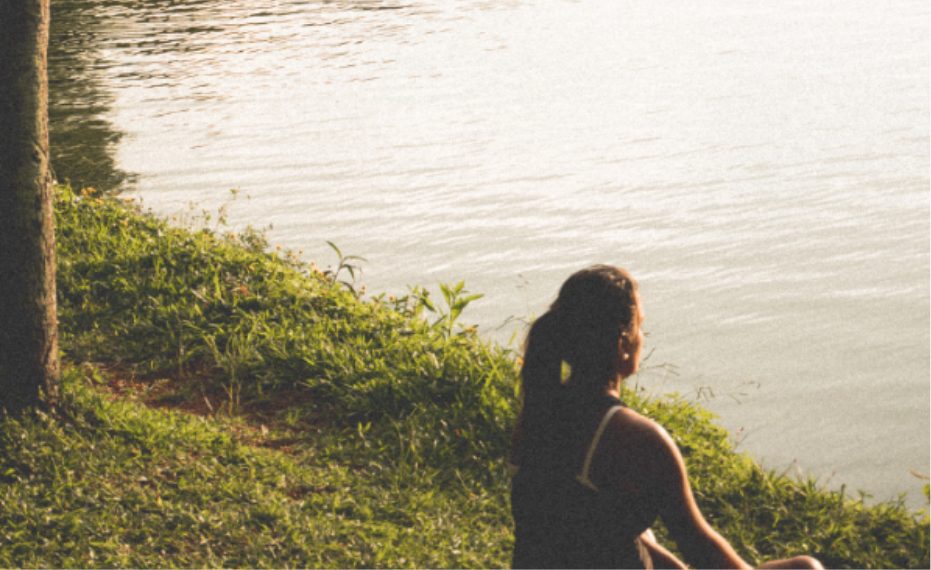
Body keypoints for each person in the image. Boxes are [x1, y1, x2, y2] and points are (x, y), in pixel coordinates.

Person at [509, 265, 823, 570]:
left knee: (642, 532)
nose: (642, 335)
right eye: (640, 325)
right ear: (622, 345)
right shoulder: (638, 440)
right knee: (806, 568)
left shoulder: (539, 414)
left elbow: (584, 525)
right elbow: (704, 552)